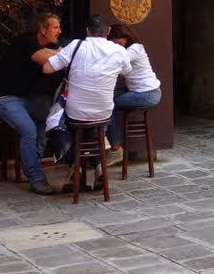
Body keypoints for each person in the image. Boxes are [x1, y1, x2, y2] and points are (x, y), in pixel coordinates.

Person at [40, 14, 131, 182]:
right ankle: (98, 166)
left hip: (76, 113)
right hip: (104, 113)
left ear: (87, 31)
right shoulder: (119, 50)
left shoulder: (76, 46)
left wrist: (57, 55)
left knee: (66, 122)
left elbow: (47, 68)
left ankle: (75, 166)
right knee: (93, 125)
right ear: (108, 31)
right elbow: (127, 71)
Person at [0, 13, 62, 195]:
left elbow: (57, 56)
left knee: (49, 118)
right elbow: (47, 59)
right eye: (55, 27)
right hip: (2, 98)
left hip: (24, 98)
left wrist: (59, 53)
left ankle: (31, 161)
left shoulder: (49, 46)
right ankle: (35, 177)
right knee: (29, 130)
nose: (59, 31)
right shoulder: (25, 41)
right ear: (43, 29)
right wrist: (60, 54)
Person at [105, 23, 162, 165]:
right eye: (111, 40)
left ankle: (115, 149)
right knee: (104, 98)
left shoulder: (134, 49)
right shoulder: (126, 49)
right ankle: (108, 141)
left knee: (107, 105)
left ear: (126, 37)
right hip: (136, 91)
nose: (114, 43)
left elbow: (115, 61)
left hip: (148, 94)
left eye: (116, 39)